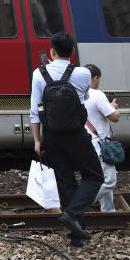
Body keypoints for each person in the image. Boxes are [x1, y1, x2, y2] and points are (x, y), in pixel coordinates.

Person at [30, 33, 103, 246]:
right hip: (75, 134)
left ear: (52, 52)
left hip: (51, 135)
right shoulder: (83, 74)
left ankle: (76, 236)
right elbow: (85, 98)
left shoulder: (39, 73)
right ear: (72, 52)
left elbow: (35, 109)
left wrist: (37, 140)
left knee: (66, 182)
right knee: (94, 176)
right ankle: (72, 215)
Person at [84, 63, 120, 213]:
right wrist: (114, 108)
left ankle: (108, 211)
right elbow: (114, 117)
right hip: (100, 144)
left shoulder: (77, 94)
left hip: (87, 143)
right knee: (109, 181)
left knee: (100, 178)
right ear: (95, 78)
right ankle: (79, 206)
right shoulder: (97, 94)